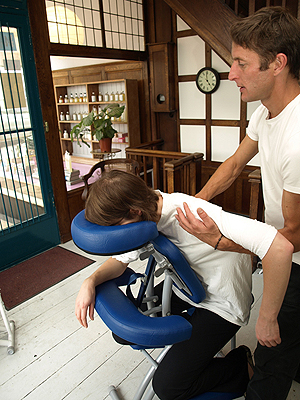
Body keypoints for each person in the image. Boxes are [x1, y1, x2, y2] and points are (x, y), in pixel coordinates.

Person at [75, 170, 293, 400]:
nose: (119, 234)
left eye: (117, 226)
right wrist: (90, 281)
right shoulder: (143, 217)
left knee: (168, 388)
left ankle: (240, 367)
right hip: (185, 289)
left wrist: (268, 318)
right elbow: (120, 261)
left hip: (222, 303)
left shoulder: (191, 212)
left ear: (134, 212)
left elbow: (279, 247)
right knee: (125, 333)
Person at [176, 6, 300, 400]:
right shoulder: (267, 113)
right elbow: (232, 165)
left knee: (272, 354)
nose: (231, 74)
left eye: (241, 64)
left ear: (278, 64)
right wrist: (195, 203)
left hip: (294, 256)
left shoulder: (298, 138)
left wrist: (219, 240)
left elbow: (292, 237)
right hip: (281, 248)